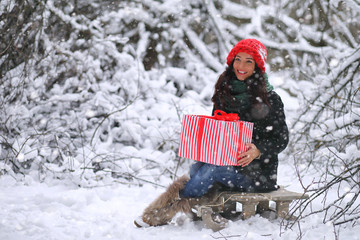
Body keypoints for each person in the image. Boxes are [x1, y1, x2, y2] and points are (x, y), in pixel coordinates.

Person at [134, 38, 289, 227]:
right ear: (231, 61)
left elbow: (281, 138)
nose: (241, 65)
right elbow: (217, 131)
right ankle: (198, 205)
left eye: (249, 61)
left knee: (212, 170)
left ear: (257, 66)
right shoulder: (226, 91)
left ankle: (164, 209)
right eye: (238, 59)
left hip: (257, 174)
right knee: (196, 169)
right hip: (225, 161)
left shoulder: (270, 98)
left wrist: (258, 150)